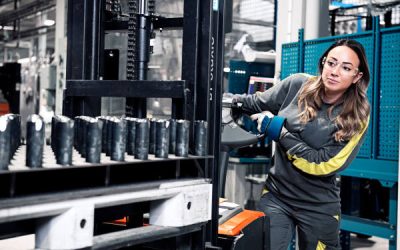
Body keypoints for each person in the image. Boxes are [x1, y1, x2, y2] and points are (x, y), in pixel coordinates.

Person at [234, 39, 370, 250]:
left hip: (319, 206)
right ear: (323, 62)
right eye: (331, 63)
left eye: (346, 68)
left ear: (357, 76)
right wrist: (227, 102)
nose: (334, 71)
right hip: (277, 196)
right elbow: (255, 102)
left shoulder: (357, 116)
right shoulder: (297, 85)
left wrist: (279, 131)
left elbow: (323, 163)